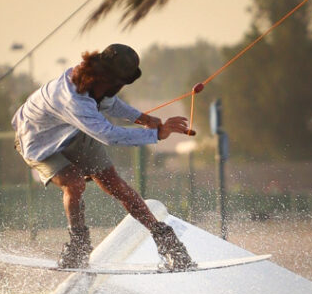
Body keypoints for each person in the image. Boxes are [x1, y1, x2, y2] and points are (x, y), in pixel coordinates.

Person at [12, 44, 196, 270]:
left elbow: (111, 104)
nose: (121, 87)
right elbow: (108, 135)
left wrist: (144, 118)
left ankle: (167, 241)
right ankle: (78, 247)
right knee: (74, 183)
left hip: (72, 132)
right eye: (121, 83)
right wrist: (157, 134)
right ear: (108, 79)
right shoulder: (73, 99)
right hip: (38, 143)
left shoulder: (97, 82)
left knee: (115, 184)